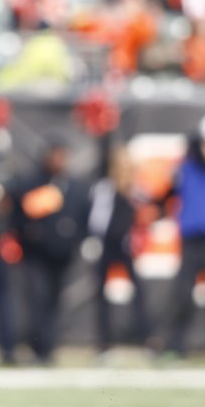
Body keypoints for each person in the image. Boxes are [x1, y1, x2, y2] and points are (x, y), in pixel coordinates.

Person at [10, 137, 90, 364]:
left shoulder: (74, 186)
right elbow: (17, 217)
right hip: (36, 254)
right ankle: (37, 347)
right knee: (37, 298)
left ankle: (49, 347)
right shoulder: (30, 183)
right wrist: (30, 233)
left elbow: (83, 216)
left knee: (55, 301)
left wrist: (76, 240)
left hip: (63, 254)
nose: (59, 160)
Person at [87, 145, 150, 354]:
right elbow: (98, 217)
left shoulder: (135, 190)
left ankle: (145, 339)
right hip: (107, 245)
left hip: (125, 245)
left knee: (138, 292)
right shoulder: (104, 187)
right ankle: (103, 343)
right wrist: (94, 240)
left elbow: (150, 209)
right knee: (101, 294)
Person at [154, 118, 205, 358]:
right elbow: (164, 197)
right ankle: (174, 344)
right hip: (193, 239)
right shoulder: (185, 168)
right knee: (182, 293)